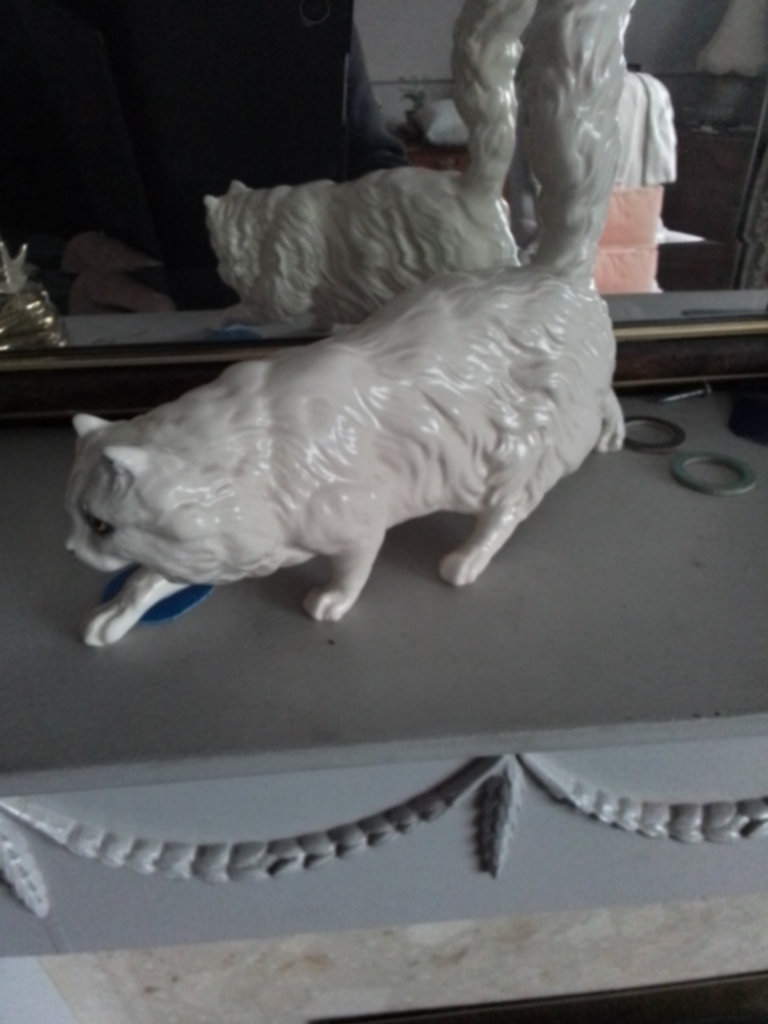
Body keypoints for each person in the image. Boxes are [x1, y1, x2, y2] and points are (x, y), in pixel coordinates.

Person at [2, 0, 406, 313]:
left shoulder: (302, 15)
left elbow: (372, 161)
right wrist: (51, 285)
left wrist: (397, 226)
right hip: (100, 347)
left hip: (310, 335)